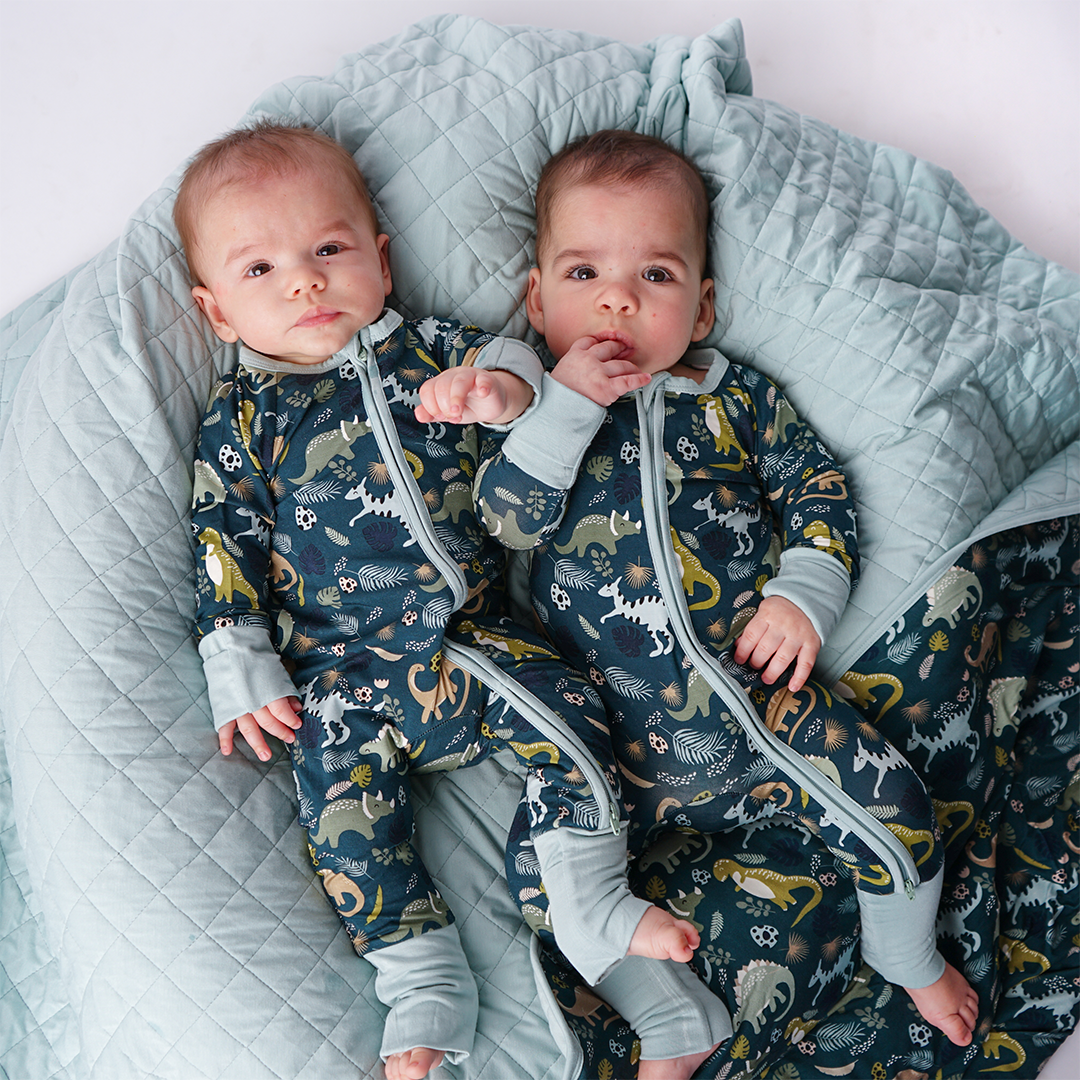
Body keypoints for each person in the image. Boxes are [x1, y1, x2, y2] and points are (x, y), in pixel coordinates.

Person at [423, 129, 979, 1070]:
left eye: (657, 275)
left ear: (703, 306)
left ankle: (905, 950)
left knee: (899, 807)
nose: (618, 298)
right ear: (536, 298)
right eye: (586, 271)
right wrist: (564, 405)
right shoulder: (525, 402)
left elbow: (817, 493)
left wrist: (803, 597)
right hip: (609, 754)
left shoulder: (730, 400)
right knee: (544, 882)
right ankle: (674, 1017)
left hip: (762, 714)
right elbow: (508, 520)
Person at [181, 121, 714, 1080]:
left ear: (379, 260)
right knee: (339, 814)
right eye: (260, 271)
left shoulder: (437, 353)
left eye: (329, 251)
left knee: (572, 713)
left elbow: (518, 376)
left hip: (461, 639)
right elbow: (224, 541)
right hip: (337, 678)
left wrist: (495, 397)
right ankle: (421, 974)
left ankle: (591, 900)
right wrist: (238, 658)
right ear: (217, 314)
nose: (305, 282)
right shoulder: (242, 421)